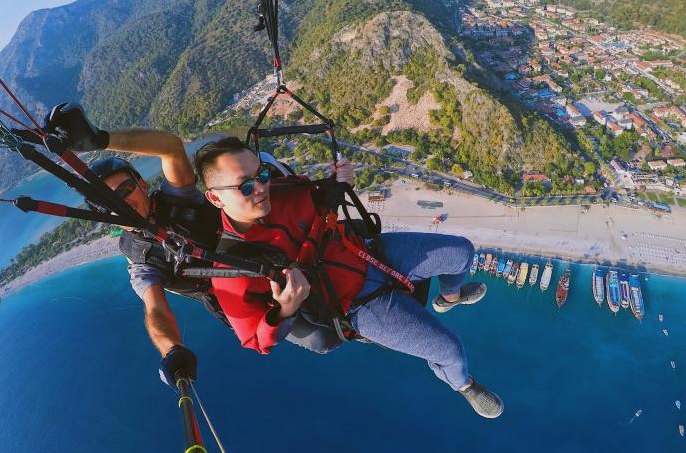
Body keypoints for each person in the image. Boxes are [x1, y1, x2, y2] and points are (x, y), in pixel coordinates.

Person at [195, 137, 504, 418]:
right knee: (449, 349)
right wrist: (285, 310)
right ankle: (463, 384)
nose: (261, 188)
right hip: (356, 305)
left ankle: (448, 298)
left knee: (462, 252)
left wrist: (342, 180)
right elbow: (254, 340)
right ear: (216, 198)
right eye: (245, 186)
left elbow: (324, 196)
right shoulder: (234, 269)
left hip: (368, 251)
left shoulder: (283, 191)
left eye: (262, 174)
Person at [39, 103, 212, 388]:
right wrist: (171, 349)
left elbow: (170, 147)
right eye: (109, 202)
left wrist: (99, 139)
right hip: (249, 306)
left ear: (142, 184)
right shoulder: (140, 259)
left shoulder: (178, 199)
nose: (122, 204)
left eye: (125, 190)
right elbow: (155, 309)